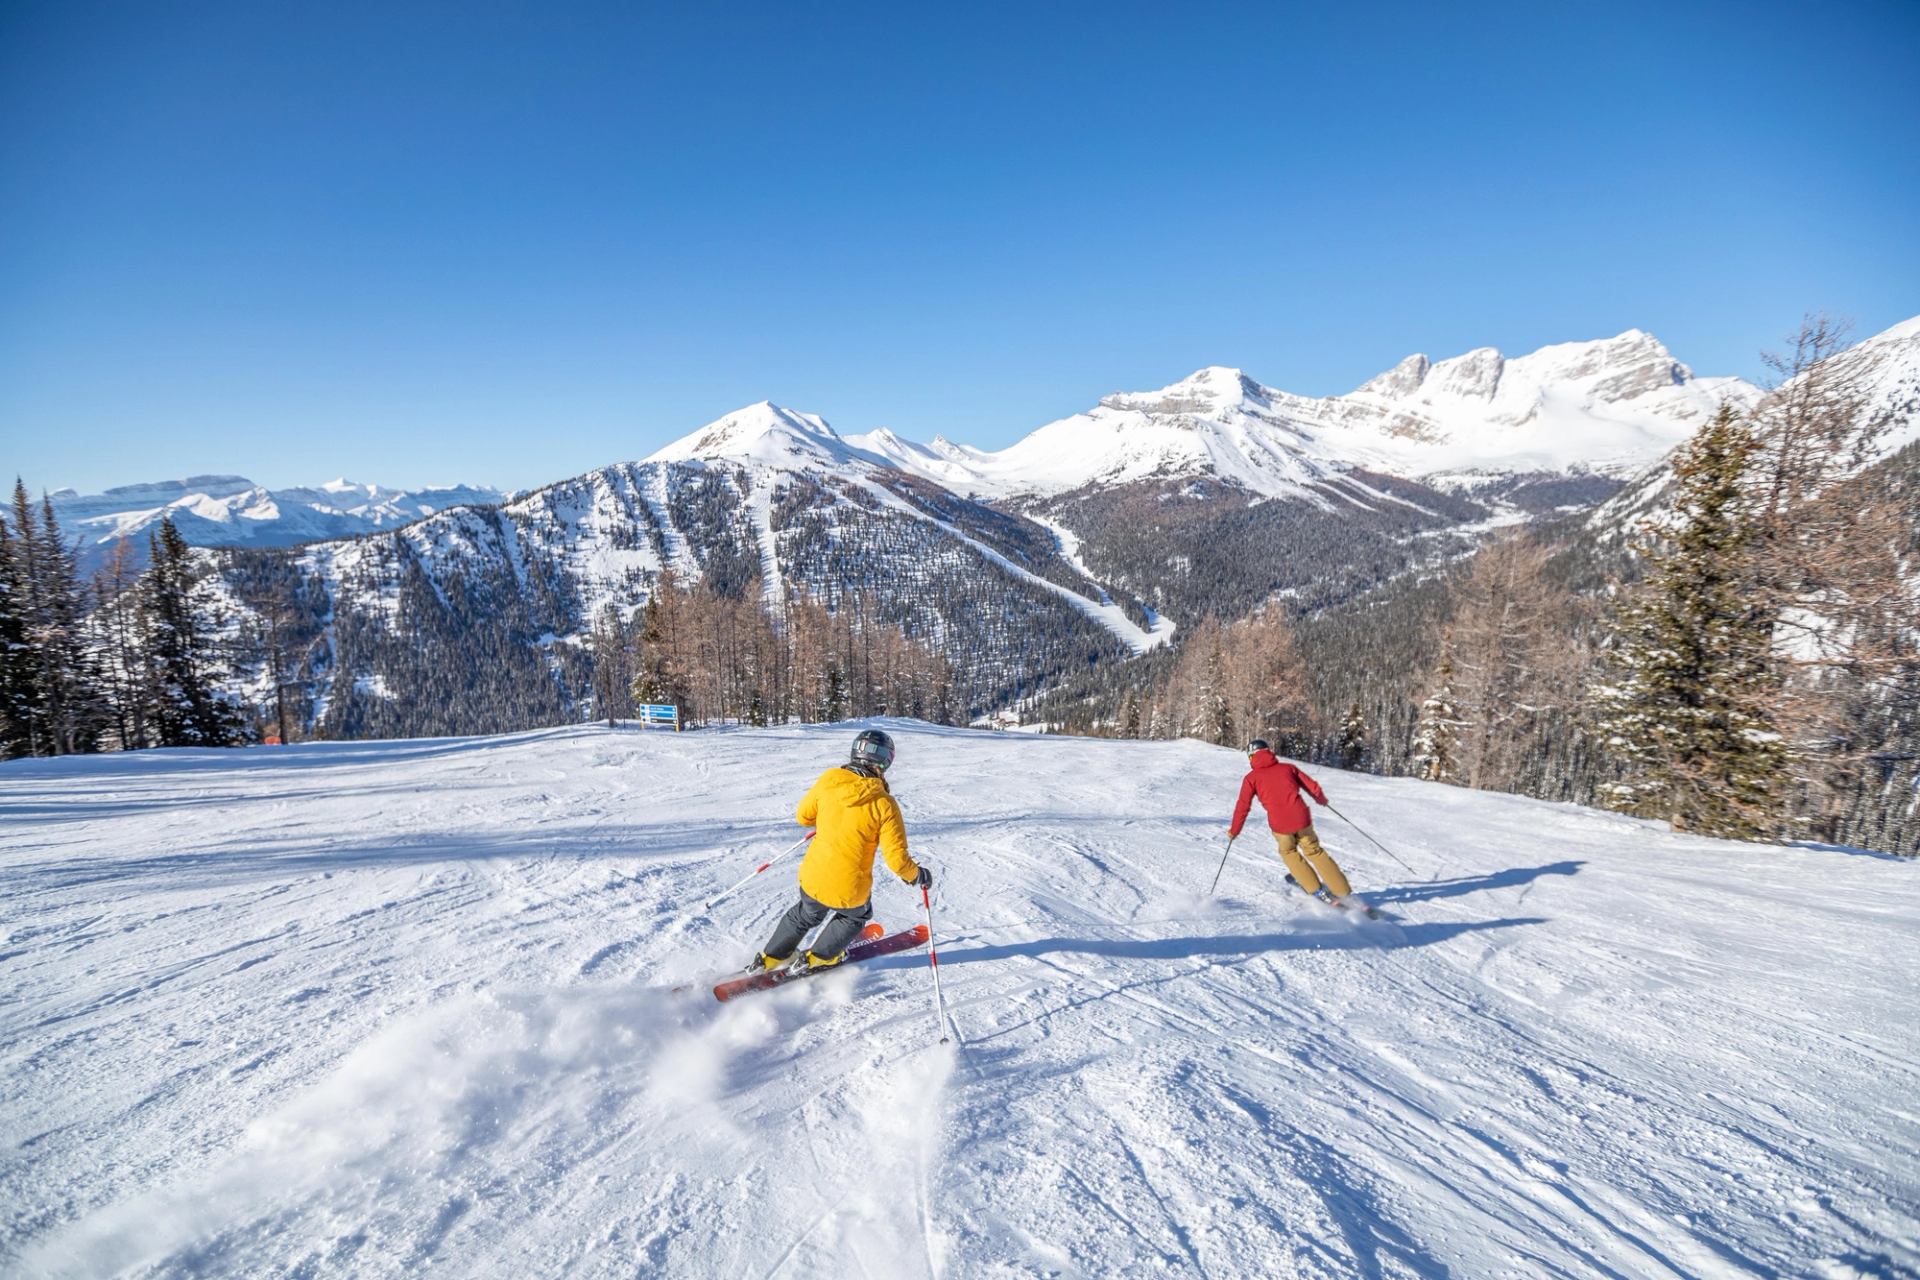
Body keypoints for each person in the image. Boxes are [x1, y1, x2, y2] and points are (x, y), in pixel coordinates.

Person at [747, 728, 931, 973]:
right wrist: (916, 875)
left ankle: (771, 957)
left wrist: (829, 816)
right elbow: (897, 860)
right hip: (849, 887)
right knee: (856, 916)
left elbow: (803, 816)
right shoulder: (884, 803)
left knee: (806, 913)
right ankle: (819, 956)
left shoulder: (829, 781)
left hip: (813, 876)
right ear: (886, 761)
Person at [1227, 738, 1356, 904]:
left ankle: (1316, 890)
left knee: (1289, 853)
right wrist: (1321, 799)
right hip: (1302, 819)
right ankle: (1342, 891)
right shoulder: (1288, 768)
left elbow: (1242, 806)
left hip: (1281, 825)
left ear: (1251, 757)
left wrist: (1234, 831)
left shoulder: (1251, 778)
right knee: (1315, 851)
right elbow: (1312, 786)